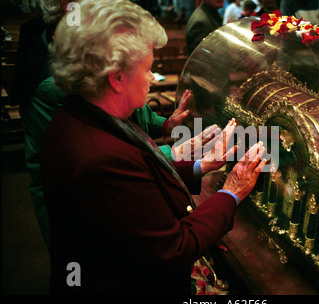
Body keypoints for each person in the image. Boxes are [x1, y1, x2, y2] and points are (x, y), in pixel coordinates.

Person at [41, 0, 267, 295]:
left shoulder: (88, 111)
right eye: (147, 69)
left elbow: (138, 180)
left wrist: (203, 164)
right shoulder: (99, 157)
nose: (151, 78)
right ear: (117, 77)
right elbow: (174, 247)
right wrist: (231, 191)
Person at [9, 0, 191, 248]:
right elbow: (116, 155)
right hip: (70, 195)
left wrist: (165, 124)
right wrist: (178, 153)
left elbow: (127, 107)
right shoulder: (59, 82)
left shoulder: (83, 44)